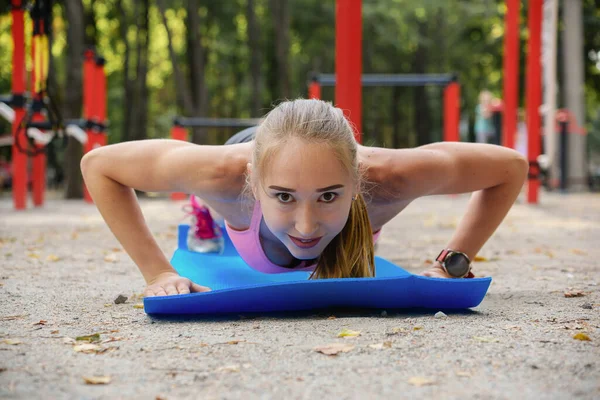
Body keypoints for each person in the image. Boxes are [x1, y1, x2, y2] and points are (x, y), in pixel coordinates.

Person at [81, 99, 528, 298]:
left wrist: (453, 260)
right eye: (285, 197)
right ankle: (212, 210)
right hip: (243, 163)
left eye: (329, 196)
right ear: (256, 184)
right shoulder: (221, 175)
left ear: (356, 181)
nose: (307, 225)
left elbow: (510, 168)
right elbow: (98, 166)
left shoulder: (389, 178)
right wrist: (158, 271)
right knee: (214, 204)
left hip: (319, 162)